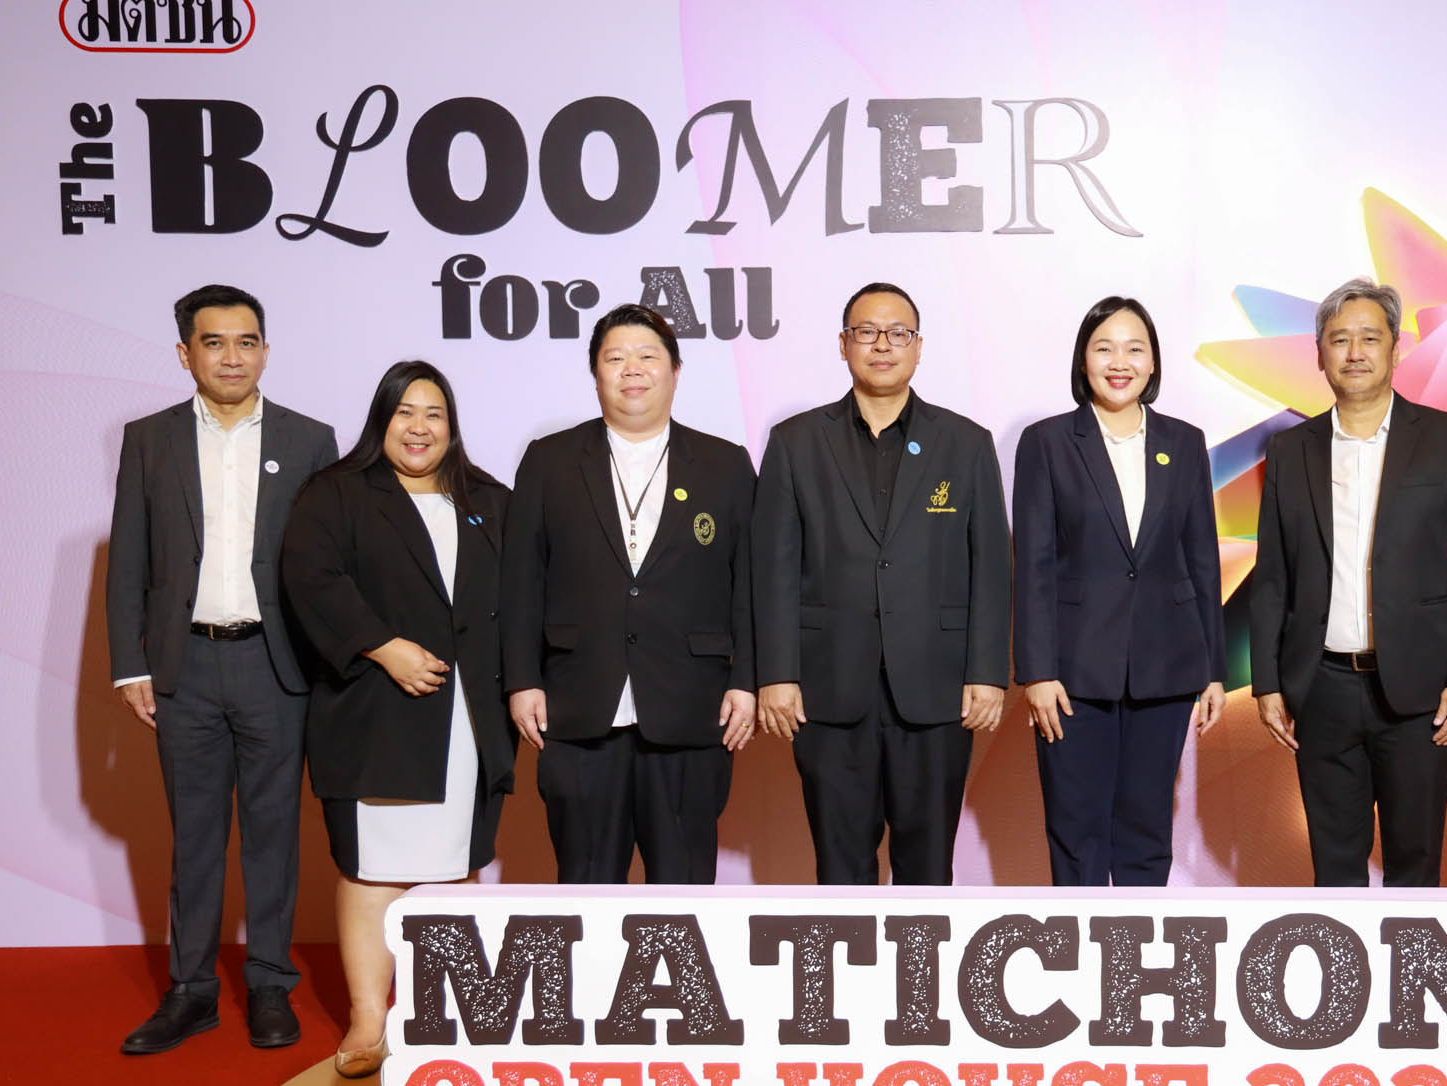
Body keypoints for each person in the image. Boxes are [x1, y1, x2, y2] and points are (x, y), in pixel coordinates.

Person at [107, 284, 338, 1054]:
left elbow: (327, 564)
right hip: (186, 664)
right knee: (195, 835)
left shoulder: (311, 439)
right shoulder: (150, 439)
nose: (231, 356)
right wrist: (129, 663)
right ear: (186, 354)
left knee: (274, 832)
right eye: (214, 342)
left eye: (246, 341)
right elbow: (129, 557)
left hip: (276, 665)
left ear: (265, 350)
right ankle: (192, 989)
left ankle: (270, 983)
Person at [280, 361, 514, 1077]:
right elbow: (311, 579)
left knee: (453, 868)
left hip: (467, 718)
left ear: (452, 425)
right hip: (376, 710)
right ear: (382, 419)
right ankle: (367, 1018)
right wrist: (383, 648)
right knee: (373, 871)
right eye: (404, 412)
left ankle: (448, 1016)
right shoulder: (336, 494)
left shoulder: (490, 500)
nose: (419, 427)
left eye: (434, 414)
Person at [753, 282, 1010, 885]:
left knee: (928, 867)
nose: (883, 345)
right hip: (827, 687)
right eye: (867, 332)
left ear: (918, 347)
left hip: (938, 688)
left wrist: (987, 673)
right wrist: (777, 675)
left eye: (898, 333)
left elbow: (991, 565)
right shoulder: (795, 442)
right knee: (840, 867)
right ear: (843, 345)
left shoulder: (966, 443)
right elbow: (774, 567)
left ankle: (922, 955)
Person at [1247, 279, 1447, 890]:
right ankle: (1344, 962)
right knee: (1334, 866)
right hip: (1321, 687)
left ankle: (1410, 961)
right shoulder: (1290, 450)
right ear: (1319, 355)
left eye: (1369, 338)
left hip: (1421, 691)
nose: (1354, 352)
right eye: (1339, 340)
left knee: (1416, 863)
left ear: (1395, 349)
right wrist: (1268, 681)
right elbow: (1273, 575)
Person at [502, 304, 756, 885]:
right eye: (615, 358)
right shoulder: (549, 461)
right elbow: (521, 582)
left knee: (683, 886)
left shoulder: (725, 464)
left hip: (692, 708)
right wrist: (522, 680)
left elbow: (749, 584)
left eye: (647, 356)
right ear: (596, 373)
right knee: (585, 882)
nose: (632, 369)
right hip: (577, 707)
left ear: (675, 371)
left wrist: (746, 681)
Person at [1011, 296, 1227, 885]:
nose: (1119, 362)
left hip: (1166, 667)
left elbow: (1201, 561)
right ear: (1083, 360)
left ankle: (1138, 944)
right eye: (1104, 348)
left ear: (1153, 362)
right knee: (1076, 831)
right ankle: (1080, 946)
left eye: (1135, 349)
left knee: (1147, 830)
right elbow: (1033, 564)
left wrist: (1213, 669)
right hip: (1073, 673)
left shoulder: (1184, 442)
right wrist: (1037, 672)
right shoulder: (1048, 442)